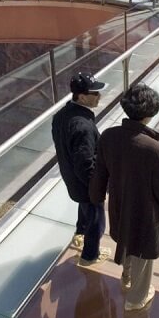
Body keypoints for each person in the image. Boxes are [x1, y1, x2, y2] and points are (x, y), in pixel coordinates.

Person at [89, 84, 159, 312]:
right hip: (145, 210)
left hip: (120, 203)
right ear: (150, 114)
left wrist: (96, 195)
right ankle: (136, 298)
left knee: (127, 240)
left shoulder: (109, 136)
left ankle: (126, 277)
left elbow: (100, 171)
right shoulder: (152, 148)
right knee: (143, 250)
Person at [51, 72, 111, 267]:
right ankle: (89, 255)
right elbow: (85, 165)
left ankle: (80, 233)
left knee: (84, 209)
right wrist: (99, 187)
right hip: (86, 184)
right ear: (82, 97)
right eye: (95, 93)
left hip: (71, 178)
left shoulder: (61, 115)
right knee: (97, 219)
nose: (99, 97)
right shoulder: (83, 126)